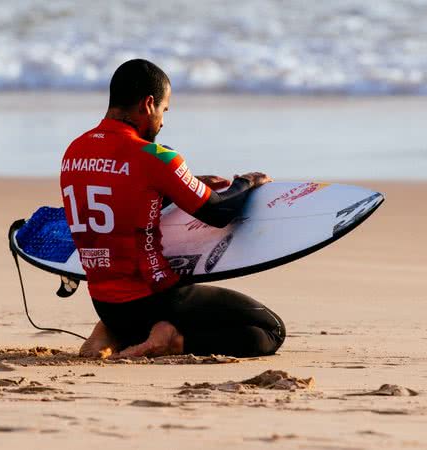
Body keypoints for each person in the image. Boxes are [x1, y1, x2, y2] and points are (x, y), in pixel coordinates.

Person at [60, 59, 286, 359]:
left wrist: (180, 185)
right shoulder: (154, 157)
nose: (163, 122)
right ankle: (172, 341)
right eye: (164, 110)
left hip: (105, 302)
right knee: (269, 332)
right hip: (154, 297)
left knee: (130, 309)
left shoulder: (74, 151)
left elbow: (127, 201)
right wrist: (246, 182)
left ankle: (108, 332)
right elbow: (218, 212)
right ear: (149, 104)